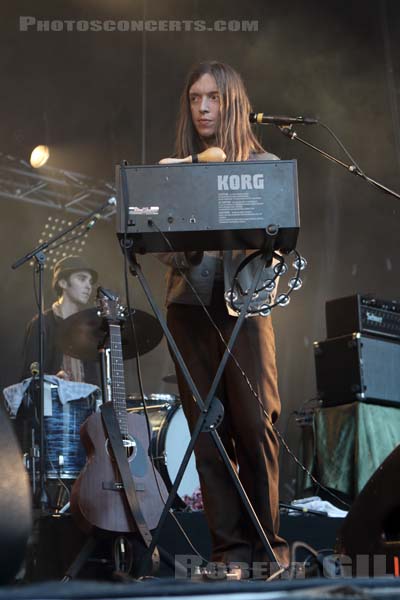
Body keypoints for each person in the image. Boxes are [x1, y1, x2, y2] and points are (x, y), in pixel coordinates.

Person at [158, 61, 289, 577]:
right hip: (188, 308)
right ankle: (228, 553)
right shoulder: (176, 168)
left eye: (212, 97)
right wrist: (189, 244)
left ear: (232, 101)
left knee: (256, 424)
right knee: (207, 431)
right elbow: (164, 248)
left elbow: (279, 244)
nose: (203, 107)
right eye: (195, 98)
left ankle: (268, 549)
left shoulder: (265, 164)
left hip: (245, 308)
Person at [22, 255, 99, 384]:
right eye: (82, 279)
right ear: (62, 283)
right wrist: (51, 380)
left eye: (90, 282)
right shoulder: (42, 324)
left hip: (86, 402)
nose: (89, 286)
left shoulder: (89, 328)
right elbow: (29, 374)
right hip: (53, 402)